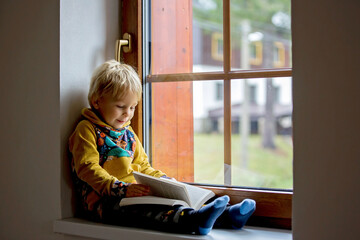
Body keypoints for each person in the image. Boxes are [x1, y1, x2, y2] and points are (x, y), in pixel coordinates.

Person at [69, 59, 256, 235]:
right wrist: (121, 188)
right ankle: (193, 221)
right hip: (105, 204)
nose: (127, 114)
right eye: (120, 106)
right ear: (96, 101)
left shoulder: (128, 133)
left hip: (132, 193)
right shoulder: (86, 129)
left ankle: (228, 215)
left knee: (178, 195)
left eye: (133, 107)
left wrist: (166, 182)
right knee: (151, 210)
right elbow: (87, 168)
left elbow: (143, 167)